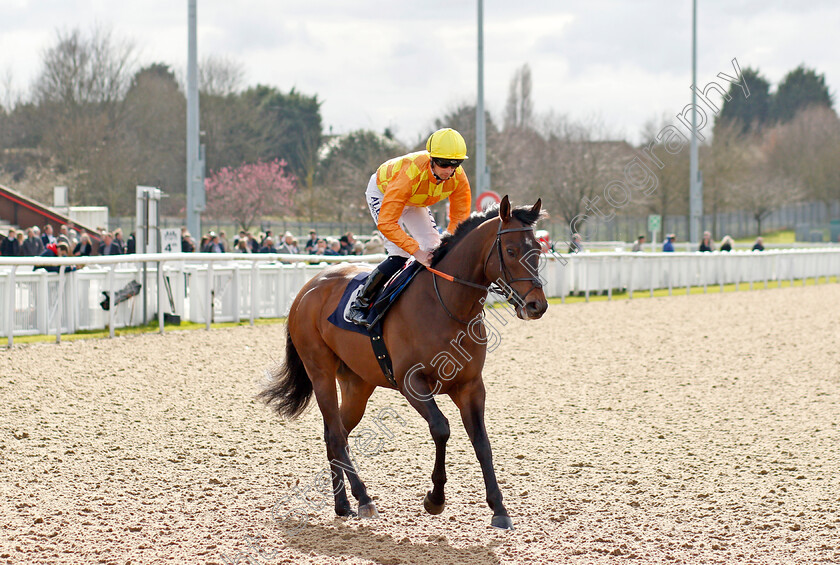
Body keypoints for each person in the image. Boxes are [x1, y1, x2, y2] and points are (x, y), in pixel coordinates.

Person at [348, 127, 471, 327]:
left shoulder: (458, 178)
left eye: (455, 164)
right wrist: (415, 251)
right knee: (400, 253)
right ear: (431, 159)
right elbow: (387, 223)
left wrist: (449, 244)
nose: (449, 170)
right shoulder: (410, 174)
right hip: (384, 191)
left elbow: (459, 218)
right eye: (443, 163)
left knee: (434, 247)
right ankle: (360, 303)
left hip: (414, 200)